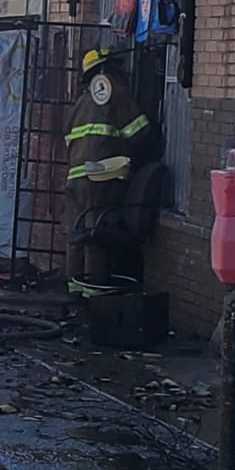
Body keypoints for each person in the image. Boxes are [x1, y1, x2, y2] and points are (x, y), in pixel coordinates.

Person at [64, 49, 156, 295]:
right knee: (98, 231)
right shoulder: (112, 89)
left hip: (75, 178)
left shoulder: (80, 102)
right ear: (104, 70)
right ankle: (95, 292)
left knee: (78, 233)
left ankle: (74, 289)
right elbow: (140, 133)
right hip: (101, 177)